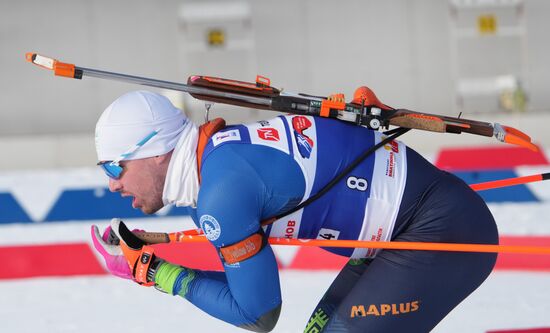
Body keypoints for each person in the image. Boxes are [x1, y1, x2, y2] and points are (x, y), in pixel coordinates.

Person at [91, 89, 498, 332]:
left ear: (157, 153)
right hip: (402, 234)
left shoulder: (221, 194)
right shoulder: (218, 167)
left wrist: (154, 273)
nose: (112, 182)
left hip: (441, 233)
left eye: (115, 166)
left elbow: (257, 314)